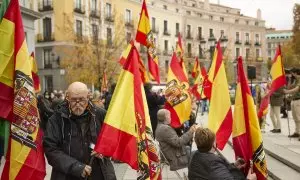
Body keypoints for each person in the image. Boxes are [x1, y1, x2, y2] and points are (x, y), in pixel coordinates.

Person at [43, 82, 116, 180]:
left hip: (99, 173)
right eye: (73, 100)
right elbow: (51, 150)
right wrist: (76, 167)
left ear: (88, 96)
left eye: (82, 100)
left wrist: (104, 150)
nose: (78, 104)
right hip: (67, 175)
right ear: (67, 97)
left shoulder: (100, 114)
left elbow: (114, 139)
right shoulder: (56, 119)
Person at [188, 127, 257, 180]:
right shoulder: (212, 163)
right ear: (213, 145)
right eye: (215, 141)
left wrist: (233, 166)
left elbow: (214, 174)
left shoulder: (195, 155)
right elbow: (215, 172)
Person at [284, 68, 300, 139]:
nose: (291, 74)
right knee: (295, 117)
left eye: (292, 73)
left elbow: (297, 89)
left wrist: (287, 92)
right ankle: (297, 132)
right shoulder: (295, 80)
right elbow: (289, 87)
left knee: (298, 117)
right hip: (293, 100)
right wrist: (290, 80)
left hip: (298, 100)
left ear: (295, 73)